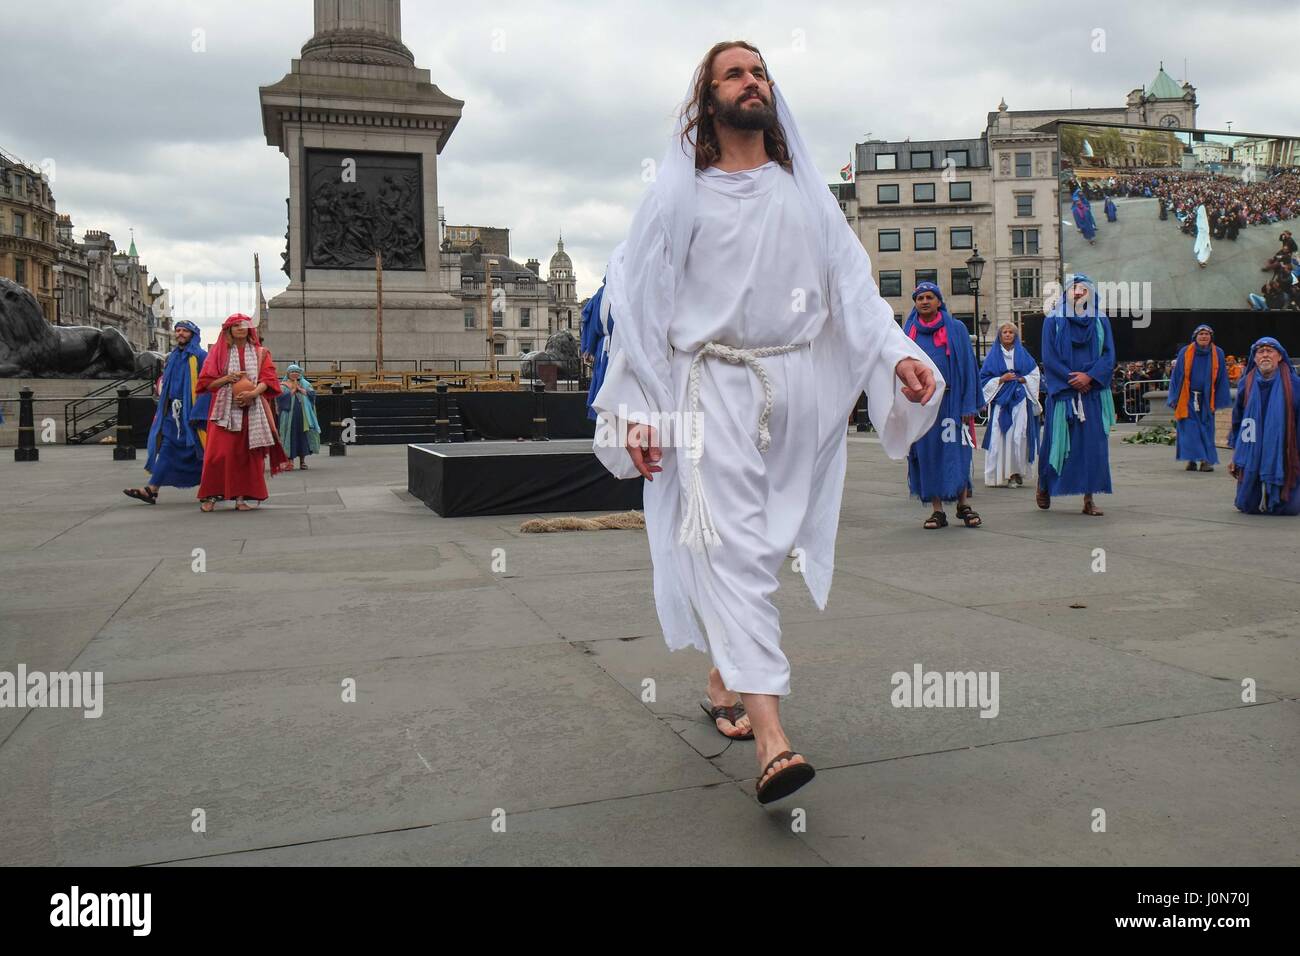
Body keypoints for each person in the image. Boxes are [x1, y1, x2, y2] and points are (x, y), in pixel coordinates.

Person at [589, 41, 942, 804]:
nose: (754, 82)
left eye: (760, 73)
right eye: (735, 74)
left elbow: (851, 288)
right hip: (705, 388)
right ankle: (775, 743)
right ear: (707, 97)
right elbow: (641, 311)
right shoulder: (679, 196)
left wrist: (894, 354)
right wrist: (639, 411)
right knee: (736, 553)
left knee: (766, 547)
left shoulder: (802, 193)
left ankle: (724, 677)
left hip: (795, 390)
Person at [1036, 274, 1116, 516]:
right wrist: (1074, 379)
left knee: (1093, 447)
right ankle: (1044, 486)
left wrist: (1089, 377)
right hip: (1063, 395)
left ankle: (1089, 498)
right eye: (1074, 288)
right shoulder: (1053, 321)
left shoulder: (1101, 321)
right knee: (1055, 444)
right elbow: (1049, 358)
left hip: (1092, 393)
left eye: (1084, 289)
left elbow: (1108, 355)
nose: (1079, 292)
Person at [903, 282, 980, 527]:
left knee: (956, 451)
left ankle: (963, 505)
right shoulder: (907, 332)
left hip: (951, 401)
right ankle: (937, 510)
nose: (924, 301)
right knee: (927, 455)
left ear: (939, 301)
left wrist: (968, 403)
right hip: (922, 405)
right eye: (919, 298)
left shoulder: (956, 328)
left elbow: (968, 366)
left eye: (929, 297)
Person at [195, 313, 289, 511]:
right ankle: (210, 496)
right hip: (223, 411)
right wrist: (228, 378)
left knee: (247, 454)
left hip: (252, 409)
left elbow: (269, 379)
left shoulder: (261, 352)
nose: (239, 328)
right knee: (218, 453)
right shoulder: (218, 353)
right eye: (235, 325)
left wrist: (252, 394)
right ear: (228, 329)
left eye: (243, 325)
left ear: (249, 329)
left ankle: (241, 498)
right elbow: (207, 383)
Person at [124, 320, 210, 504]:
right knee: (166, 449)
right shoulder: (171, 357)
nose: (180, 334)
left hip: (193, 413)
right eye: (177, 330)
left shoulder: (201, 356)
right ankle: (151, 489)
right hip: (171, 413)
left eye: (184, 331)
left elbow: (207, 386)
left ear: (193, 334)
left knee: (199, 449)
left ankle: (214, 486)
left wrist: (199, 411)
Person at [1228, 337, 1300, 515]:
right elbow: (1238, 417)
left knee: (1287, 509)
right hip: (1252, 442)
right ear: (1254, 358)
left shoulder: (1294, 385)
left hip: (1283, 444)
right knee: (1247, 506)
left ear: (1280, 356)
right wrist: (1236, 452)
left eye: (1270, 351)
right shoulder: (1247, 383)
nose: (1265, 355)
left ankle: (1278, 499)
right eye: (1261, 352)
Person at [980, 322, 1041, 488]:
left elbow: (1035, 374)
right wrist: (1001, 379)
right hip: (1001, 399)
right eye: (1004, 332)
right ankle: (998, 474)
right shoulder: (993, 356)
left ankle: (1016, 472)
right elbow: (984, 378)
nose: (1007, 335)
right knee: (999, 435)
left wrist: (1023, 379)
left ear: (1015, 335)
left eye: (1011, 332)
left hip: (1020, 398)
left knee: (1018, 434)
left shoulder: (1024, 355)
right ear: (1000, 336)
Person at [1167, 325, 1230, 472]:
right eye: (1201, 334)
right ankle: (1191, 459)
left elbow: (1221, 376)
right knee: (1190, 429)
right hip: (1187, 398)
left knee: (1206, 429)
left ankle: (1205, 461)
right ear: (1195, 337)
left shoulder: (1218, 353)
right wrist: (1174, 397)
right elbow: (1177, 376)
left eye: (1207, 334)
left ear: (1211, 337)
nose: (1204, 336)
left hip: (1207, 399)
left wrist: (1221, 397)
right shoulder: (1185, 352)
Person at [579, 271, 615, 420]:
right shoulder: (610, 292)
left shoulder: (601, 293)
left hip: (603, 347)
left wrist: (588, 347)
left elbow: (589, 319)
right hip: (611, 346)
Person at [277, 363, 321, 469]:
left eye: (297, 372)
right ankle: (289, 461)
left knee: (303, 436)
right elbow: (280, 399)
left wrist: (301, 390)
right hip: (288, 417)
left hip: (303, 416)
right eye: (292, 372)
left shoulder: (305, 384)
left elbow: (312, 395)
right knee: (290, 435)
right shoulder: (283, 385)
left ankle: (302, 461)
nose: (294, 374)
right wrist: (292, 391)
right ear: (288, 373)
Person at [1194, 203, 1212, 268]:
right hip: (1204, 236)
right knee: (1204, 249)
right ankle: (1202, 261)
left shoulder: (1200, 219)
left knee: (1203, 248)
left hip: (1202, 236)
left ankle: (1201, 260)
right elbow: (1206, 230)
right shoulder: (1203, 220)